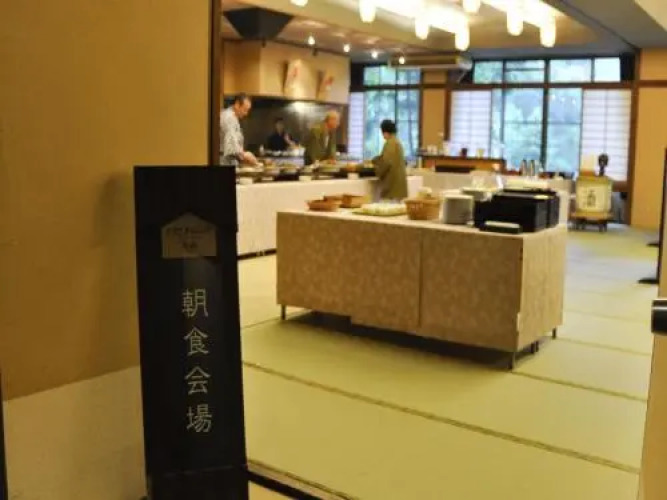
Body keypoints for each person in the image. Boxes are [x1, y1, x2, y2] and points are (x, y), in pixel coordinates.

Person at [372, 120, 408, 200]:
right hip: (399, 184)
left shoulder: (390, 143)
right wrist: (378, 159)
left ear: (385, 132)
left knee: (389, 205)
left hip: (392, 185)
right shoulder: (397, 142)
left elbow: (386, 162)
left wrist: (377, 169)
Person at [219, 93, 257, 165]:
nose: (246, 113)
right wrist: (246, 155)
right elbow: (231, 147)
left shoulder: (233, 117)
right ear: (237, 104)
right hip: (224, 162)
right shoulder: (229, 117)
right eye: (245, 110)